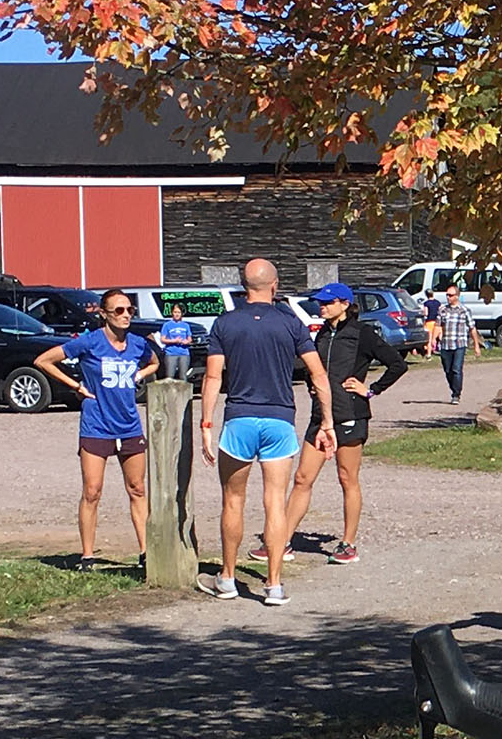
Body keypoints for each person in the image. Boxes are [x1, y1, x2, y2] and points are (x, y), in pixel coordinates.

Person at [197, 259, 336, 607]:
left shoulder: (225, 323)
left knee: (233, 500)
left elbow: (212, 377)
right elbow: (319, 376)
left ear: (244, 287)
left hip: (240, 418)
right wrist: (327, 421)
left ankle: (227, 577)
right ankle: (274, 584)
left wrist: (206, 423)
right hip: (279, 420)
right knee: (275, 502)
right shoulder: (291, 324)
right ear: (275, 286)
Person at [279, 283, 408, 566]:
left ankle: (348, 544)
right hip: (320, 416)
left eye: (326, 303)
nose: (321, 307)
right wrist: (315, 387)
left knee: (347, 478)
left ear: (344, 304)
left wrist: (371, 389)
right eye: (320, 303)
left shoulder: (363, 334)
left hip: (351, 415)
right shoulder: (323, 333)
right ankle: (281, 542)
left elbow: (397, 364)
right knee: (302, 479)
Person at [33, 289, 158, 570]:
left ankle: (146, 552)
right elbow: (43, 361)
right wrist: (77, 386)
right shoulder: (90, 342)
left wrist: (140, 374)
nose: (126, 315)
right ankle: (87, 556)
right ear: (104, 314)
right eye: (118, 311)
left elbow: (154, 363)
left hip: (129, 425)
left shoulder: (138, 344)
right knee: (92, 491)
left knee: (137, 488)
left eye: (129, 310)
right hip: (96, 425)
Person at [433, 283, 478, 404]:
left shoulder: (464, 311)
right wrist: (432, 340)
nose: (448, 297)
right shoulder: (443, 310)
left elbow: (472, 328)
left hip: (459, 344)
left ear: (457, 296)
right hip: (445, 344)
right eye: (447, 295)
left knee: (456, 369)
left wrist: (476, 345)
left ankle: (456, 394)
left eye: (451, 295)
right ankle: (453, 388)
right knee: (448, 370)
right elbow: (438, 326)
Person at [155, 305, 196, 379]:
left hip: (184, 353)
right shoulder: (167, 325)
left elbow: (189, 339)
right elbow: (163, 339)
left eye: (179, 312)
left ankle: (183, 390)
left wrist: (186, 342)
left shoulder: (186, 325)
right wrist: (174, 341)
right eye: (175, 312)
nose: (177, 314)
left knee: (183, 376)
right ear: (172, 313)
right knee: (170, 376)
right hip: (171, 353)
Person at [420, 291, 443, 359]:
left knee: (429, 338)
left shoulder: (426, 303)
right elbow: (441, 311)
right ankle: (442, 351)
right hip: (437, 322)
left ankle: (429, 354)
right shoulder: (438, 302)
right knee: (440, 337)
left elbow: (426, 313)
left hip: (429, 322)